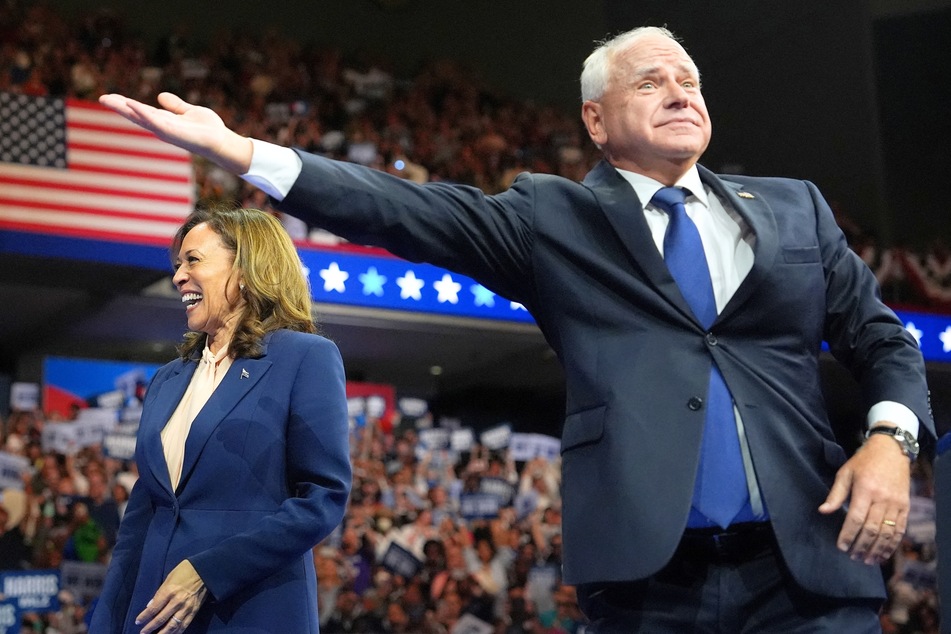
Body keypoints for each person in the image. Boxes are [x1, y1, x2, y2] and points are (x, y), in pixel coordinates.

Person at [99, 25, 934, 632]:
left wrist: (890, 441)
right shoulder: (554, 217)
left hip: (809, 578)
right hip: (648, 591)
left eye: (689, 78)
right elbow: (407, 210)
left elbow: (881, 339)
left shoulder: (794, 207)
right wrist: (246, 153)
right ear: (596, 121)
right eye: (649, 81)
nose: (681, 90)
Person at [89, 207, 351, 633]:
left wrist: (207, 572)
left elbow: (323, 498)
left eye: (193, 260)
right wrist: (107, 622)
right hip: (155, 614)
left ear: (246, 269)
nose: (178, 277)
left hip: (250, 611)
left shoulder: (304, 357)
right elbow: (142, 517)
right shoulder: (167, 379)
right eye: (177, 265)